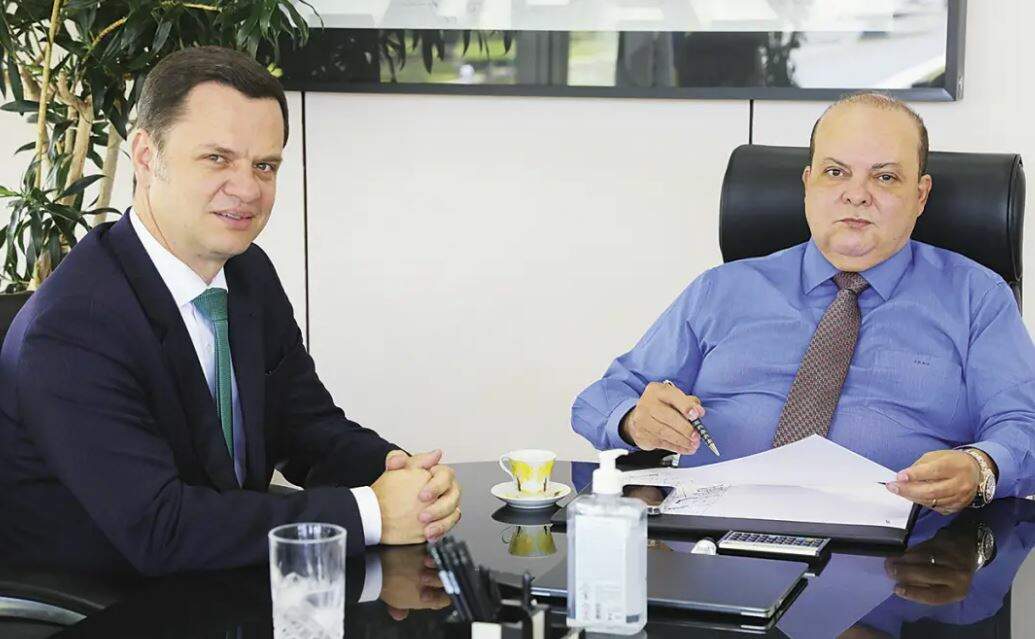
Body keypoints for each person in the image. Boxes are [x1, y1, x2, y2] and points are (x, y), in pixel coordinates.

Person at [0, 46, 460, 577]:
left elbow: (305, 426)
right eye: (217, 158)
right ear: (146, 156)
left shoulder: (247, 273)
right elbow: (160, 529)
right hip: (108, 598)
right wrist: (372, 513)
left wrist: (402, 475)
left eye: (265, 166)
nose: (247, 189)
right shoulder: (74, 324)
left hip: (220, 575)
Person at [572, 92, 1035, 514]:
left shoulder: (976, 298)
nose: (857, 194)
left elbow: (1023, 424)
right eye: (836, 172)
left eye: (885, 177)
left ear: (920, 195)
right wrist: (634, 420)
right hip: (713, 536)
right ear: (808, 183)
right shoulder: (722, 290)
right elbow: (599, 400)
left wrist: (981, 466)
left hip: (896, 553)